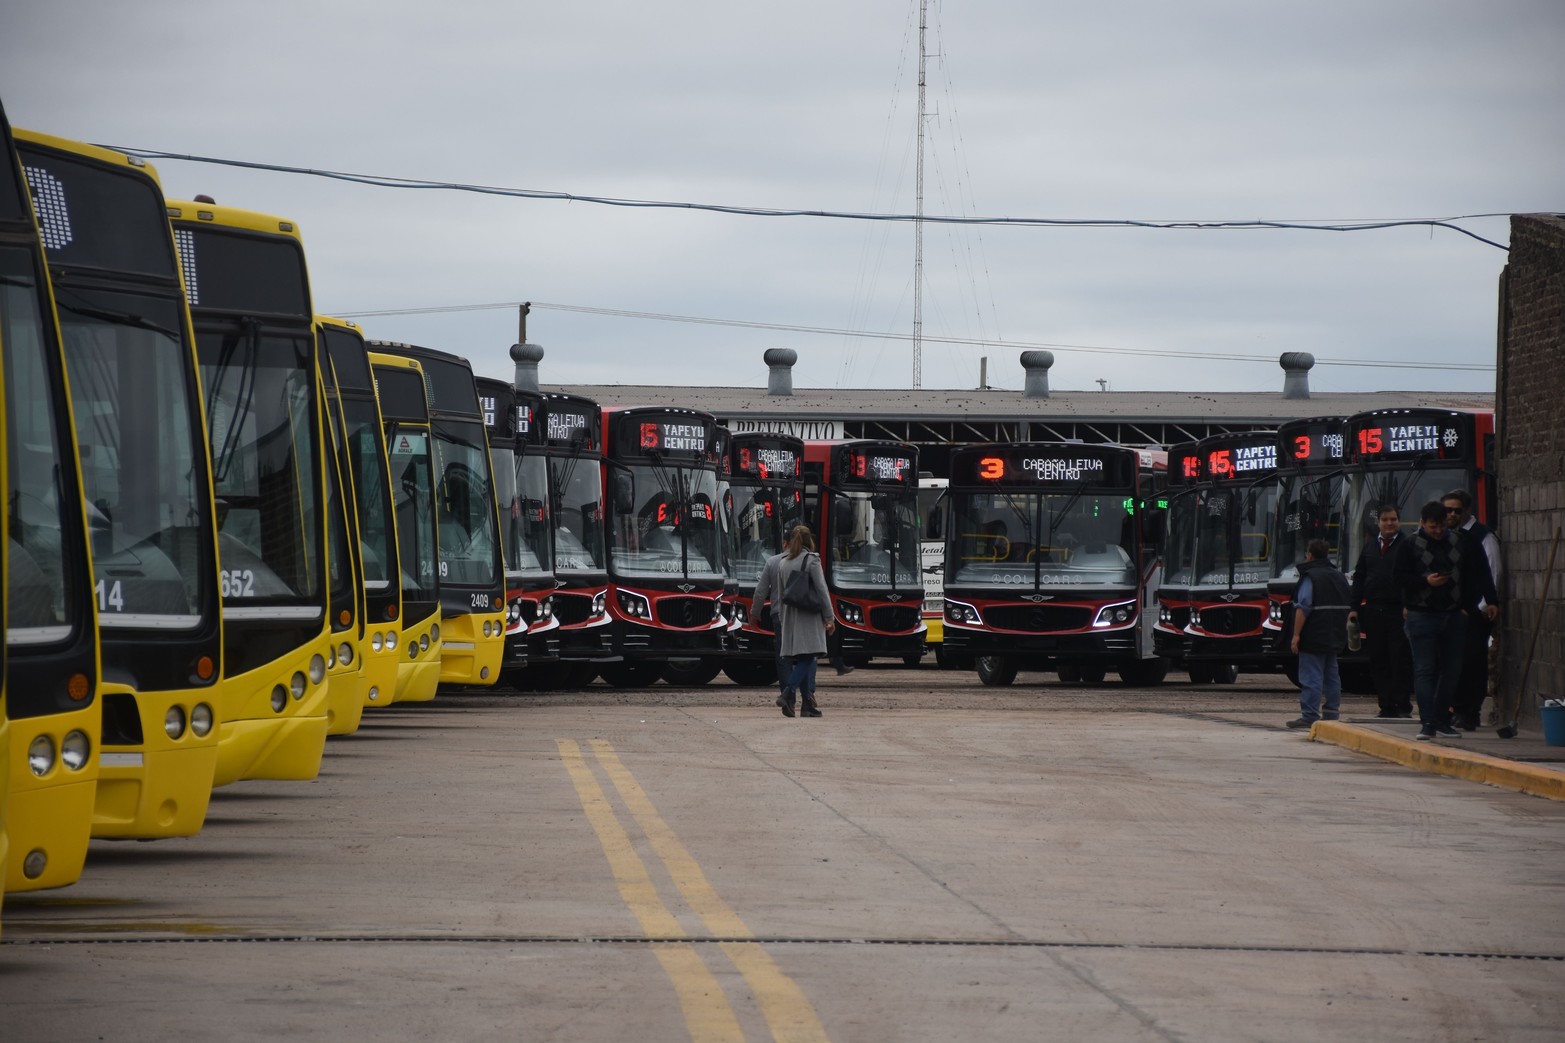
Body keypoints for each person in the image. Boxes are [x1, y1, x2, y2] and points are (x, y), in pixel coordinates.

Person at [1394, 500, 1495, 741]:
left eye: (1441, 526)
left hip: (1454, 614)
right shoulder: (1409, 545)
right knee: (1425, 669)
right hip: (1421, 614)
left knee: (1452, 670)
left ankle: (1441, 718)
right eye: (1432, 527)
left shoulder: (1461, 541)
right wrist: (1425, 582)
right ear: (1422, 523)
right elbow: (1398, 578)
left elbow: (1479, 572)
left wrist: (1483, 602)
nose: (1438, 531)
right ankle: (1427, 722)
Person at [752, 524, 836, 718]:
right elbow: (822, 590)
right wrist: (829, 618)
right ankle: (788, 692)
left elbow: (780, 596)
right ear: (809, 541)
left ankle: (806, 705)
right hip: (809, 616)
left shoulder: (782, 563)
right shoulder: (812, 560)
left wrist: (782, 618)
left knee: (794, 658)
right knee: (809, 656)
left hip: (788, 617)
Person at [1442, 489, 1501, 731]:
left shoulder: (1481, 537)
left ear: (1467, 511)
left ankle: (1470, 711)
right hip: (1450, 612)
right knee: (1451, 663)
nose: (1452, 515)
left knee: (1472, 664)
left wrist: (1480, 608)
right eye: (1448, 510)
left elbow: (1491, 573)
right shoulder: (1442, 537)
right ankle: (1454, 708)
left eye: (1457, 510)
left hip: (1474, 613)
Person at [1348, 504, 1414, 719]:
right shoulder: (1370, 546)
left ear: (1399, 521)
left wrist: (1409, 604)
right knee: (1378, 659)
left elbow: (1412, 578)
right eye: (1385, 520)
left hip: (1399, 611)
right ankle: (1386, 705)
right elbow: (1359, 577)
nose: (1389, 523)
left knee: (1400, 659)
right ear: (1378, 523)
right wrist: (1354, 608)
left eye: (1393, 519)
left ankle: (1402, 705)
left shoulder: (1407, 544)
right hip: (1374, 610)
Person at [1286, 539, 1351, 729]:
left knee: (1311, 676)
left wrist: (1296, 635)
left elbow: (1303, 608)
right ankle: (1331, 713)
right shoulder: (1339, 576)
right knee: (1332, 675)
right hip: (1335, 632)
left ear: (1309, 555)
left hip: (1313, 633)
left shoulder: (1310, 577)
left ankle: (1309, 715)